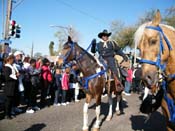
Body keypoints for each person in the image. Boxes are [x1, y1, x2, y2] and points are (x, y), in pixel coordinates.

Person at [3, 54, 18, 119]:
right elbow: (7, 77)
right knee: (8, 101)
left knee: (10, 101)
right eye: (13, 59)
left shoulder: (11, 66)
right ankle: (7, 114)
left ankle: (8, 113)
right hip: (9, 87)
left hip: (12, 86)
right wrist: (16, 76)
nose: (14, 60)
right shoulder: (7, 67)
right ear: (9, 59)